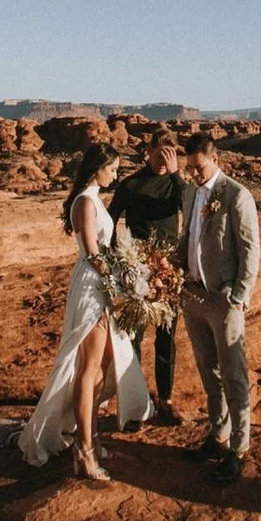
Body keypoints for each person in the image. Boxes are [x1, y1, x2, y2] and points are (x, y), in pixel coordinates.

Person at [18, 142, 153, 479]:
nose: (116, 175)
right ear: (98, 169)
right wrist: (124, 278)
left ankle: (88, 436)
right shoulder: (85, 202)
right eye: (113, 169)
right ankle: (84, 452)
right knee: (88, 369)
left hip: (102, 285)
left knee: (103, 365)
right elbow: (94, 253)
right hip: (93, 288)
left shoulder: (93, 199)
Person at [178, 131, 260, 485]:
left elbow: (249, 250)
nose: (194, 174)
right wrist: (172, 269)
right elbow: (188, 237)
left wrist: (240, 295)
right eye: (190, 168)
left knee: (233, 375)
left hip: (224, 300)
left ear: (216, 161)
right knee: (208, 372)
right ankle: (218, 436)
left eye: (199, 168)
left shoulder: (236, 196)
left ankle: (239, 449)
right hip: (193, 294)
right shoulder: (190, 192)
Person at [108, 128, 185, 426]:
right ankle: (135, 406)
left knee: (166, 337)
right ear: (148, 151)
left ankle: (165, 401)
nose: (164, 160)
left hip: (169, 273)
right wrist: (123, 261)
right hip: (137, 272)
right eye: (160, 153)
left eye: (170, 154)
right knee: (134, 338)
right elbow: (109, 222)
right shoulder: (131, 185)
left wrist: (177, 175)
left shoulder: (176, 185)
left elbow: (190, 208)